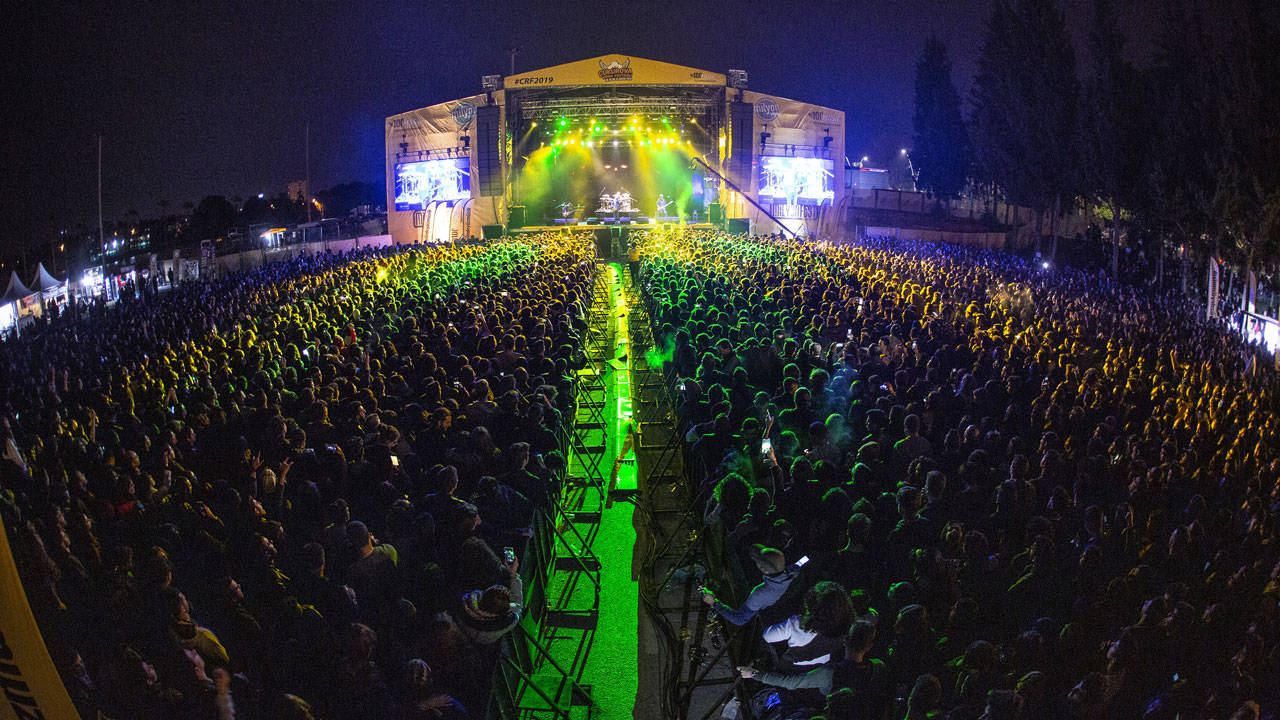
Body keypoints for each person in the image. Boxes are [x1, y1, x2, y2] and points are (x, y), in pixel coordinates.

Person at [701, 545, 801, 626]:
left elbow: (739, 620)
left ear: (764, 570)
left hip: (762, 610)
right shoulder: (792, 570)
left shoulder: (759, 594)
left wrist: (714, 603)